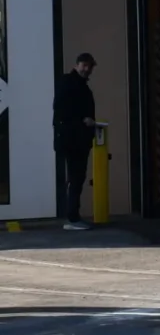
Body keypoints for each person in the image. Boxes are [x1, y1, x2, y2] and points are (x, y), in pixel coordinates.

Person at [52, 52, 97, 231]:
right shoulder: (70, 83)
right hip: (73, 139)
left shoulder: (78, 85)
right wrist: (83, 121)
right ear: (77, 65)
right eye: (84, 66)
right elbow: (62, 109)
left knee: (76, 177)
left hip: (75, 139)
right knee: (76, 177)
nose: (87, 69)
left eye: (89, 66)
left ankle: (73, 215)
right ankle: (72, 217)